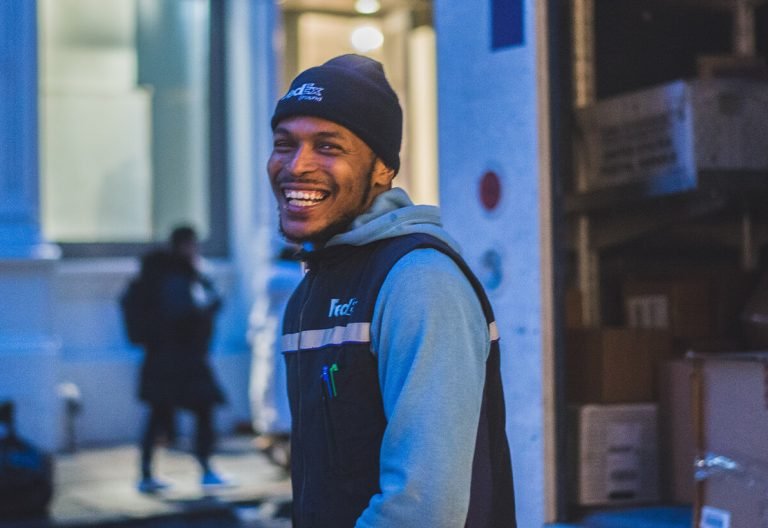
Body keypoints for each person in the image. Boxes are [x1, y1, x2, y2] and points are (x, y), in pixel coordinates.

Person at [268, 54, 516, 527]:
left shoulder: (418, 281)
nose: (296, 165)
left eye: (328, 146)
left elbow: (423, 508)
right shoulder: (312, 291)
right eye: (285, 143)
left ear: (382, 169)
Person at [131, 225, 230, 493]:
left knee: (160, 414)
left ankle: (147, 475)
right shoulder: (177, 277)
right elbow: (182, 317)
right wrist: (208, 310)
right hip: (180, 360)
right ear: (183, 245)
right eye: (193, 245)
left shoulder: (165, 275)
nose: (196, 250)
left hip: (164, 359)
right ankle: (205, 470)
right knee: (200, 409)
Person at [247, 244, 302, 470]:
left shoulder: (265, 286)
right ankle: (288, 458)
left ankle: (270, 442)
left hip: (267, 350)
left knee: (268, 399)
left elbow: (255, 325)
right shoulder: (299, 284)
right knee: (288, 405)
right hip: (291, 350)